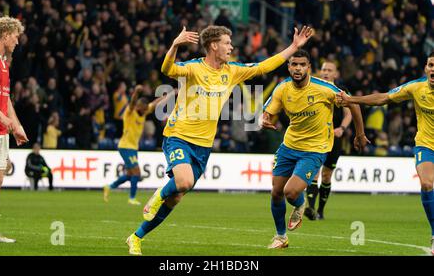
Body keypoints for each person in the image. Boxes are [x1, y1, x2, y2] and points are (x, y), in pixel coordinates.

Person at [126, 24, 314, 255]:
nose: (231, 46)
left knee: (176, 199)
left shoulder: (232, 71)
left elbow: (264, 66)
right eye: (227, 42)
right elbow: (168, 69)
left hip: (203, 146)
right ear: (214, 45)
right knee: (182, 182)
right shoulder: (194, 67)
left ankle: (136, 237)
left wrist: (293, 47)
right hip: (178, 136)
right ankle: (158, 195)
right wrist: (175, 44)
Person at [261, 50, 368, 249]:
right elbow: (268, 112)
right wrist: (265, 119)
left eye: (302, 65)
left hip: (315, 149)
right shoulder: (282, 88)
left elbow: (354, 105)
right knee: (276, 192)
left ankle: (301, 204)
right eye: (294, 64)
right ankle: (280, 237)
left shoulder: (325, 89)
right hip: (289, 146)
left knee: (291, 193)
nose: (298, 68)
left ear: (309, 67)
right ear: (289, 67)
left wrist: (359, 134)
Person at [337, 52, 434, 256]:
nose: (433, 69)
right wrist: (351, 99)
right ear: (425, 68)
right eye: (431, 65)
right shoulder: (416, 87)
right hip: (426, 145)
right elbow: (384, 98)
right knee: (427, 183)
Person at [0, 16, 28, 243]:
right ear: (4, 34)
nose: (17, 42)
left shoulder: (2, 63)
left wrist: (16, 126)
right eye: (15, 36)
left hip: (1, 132)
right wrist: (0, 116)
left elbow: (5, 98)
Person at [104, 85, 176, 205]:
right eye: (143, 108)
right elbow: (132, 103)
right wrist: (136, 92)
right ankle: (131, 198)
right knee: (137, 173)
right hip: (125, 146)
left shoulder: (143, 110)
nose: (145, 110)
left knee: (130, 174)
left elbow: (154, 103)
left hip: (133, 147)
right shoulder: (130, 112)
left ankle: (109, 186)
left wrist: (169, 95)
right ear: (138, 106)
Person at [304, 61, 353, 220]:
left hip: (334, 138)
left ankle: (320, 211)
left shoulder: (341, 91)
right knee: (314, 173)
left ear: (336, 74)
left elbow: (349, 113)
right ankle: (310, 209)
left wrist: (342, 129)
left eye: (329, 70)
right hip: (316, 137)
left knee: (326, 175)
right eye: (323, 69)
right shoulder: (314, 88)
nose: (325, 72)